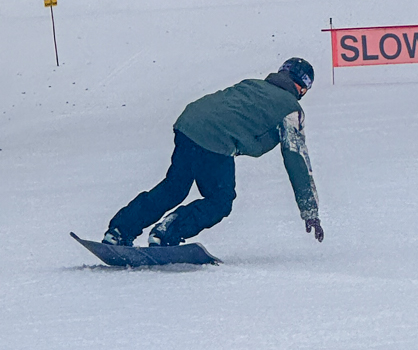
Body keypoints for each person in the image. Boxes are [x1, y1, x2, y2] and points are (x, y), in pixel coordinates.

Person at [103, 57, 323, 247]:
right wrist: (310, 211)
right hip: (216, 140)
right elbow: (297, 160)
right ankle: (166, 232)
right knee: (220, 200)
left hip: (189, 122)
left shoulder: (253, 84)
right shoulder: (290, 110)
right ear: (303, 88)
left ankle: (120, 230)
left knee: (174, 188)